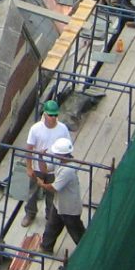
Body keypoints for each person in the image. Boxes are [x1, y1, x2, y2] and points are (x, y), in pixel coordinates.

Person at [22, 99, 70, 228]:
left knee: (51, 194)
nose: (53, 118)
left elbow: (67, 147)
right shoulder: (35, 129)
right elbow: (29, 148)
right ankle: (30, 213)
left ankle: (50, 216)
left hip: (54, 169)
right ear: (44, 114)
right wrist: (29, 167)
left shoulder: (63, 129)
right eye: (51, 115)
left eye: (55, 115)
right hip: (38, 167)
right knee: (32, 191)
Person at [36, 137, 86, 254]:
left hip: (69, 209)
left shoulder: (68, 170)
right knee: (51, 227)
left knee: (77, 232)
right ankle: (46, 247)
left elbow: (53, 187)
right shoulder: (60, 162)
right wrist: (40, 157)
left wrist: (41, 184)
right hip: (59, 204)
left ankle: (86, 250)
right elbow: (45, 170)